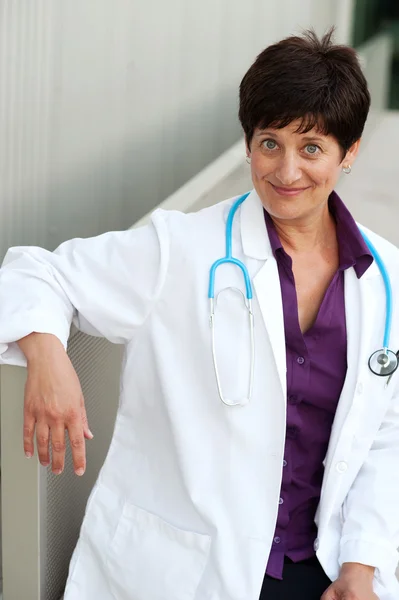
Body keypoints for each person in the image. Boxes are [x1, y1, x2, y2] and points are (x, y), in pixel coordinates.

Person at [0, 28, 398, 600]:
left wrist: (363, 564)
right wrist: (46, 354)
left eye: (311, 148)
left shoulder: (386, 280)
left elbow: (386, 436)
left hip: (321, 570)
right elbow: (35, 270)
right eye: (269, 143)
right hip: (185, 571)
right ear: (247, 141)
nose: (286, 172)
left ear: (349, 152)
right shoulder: (179, 249)